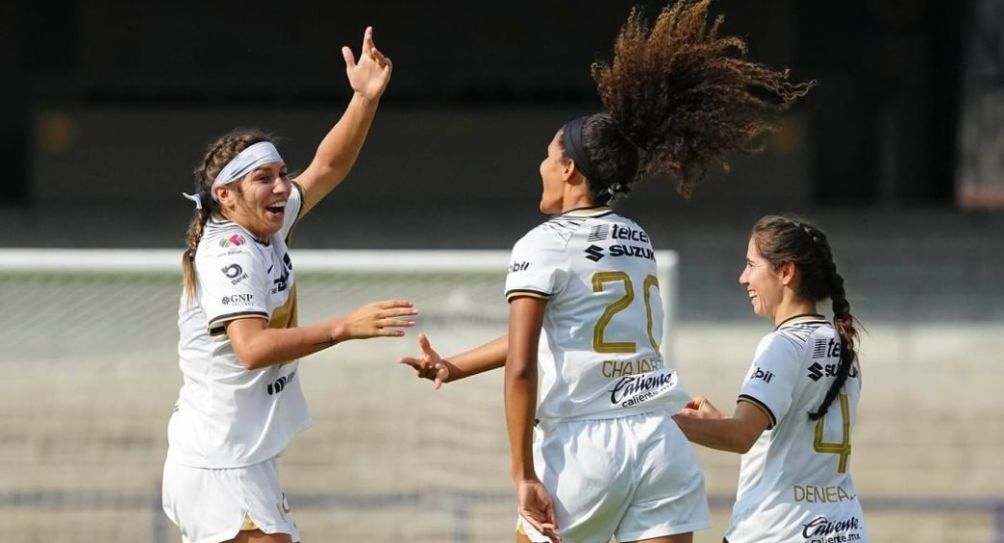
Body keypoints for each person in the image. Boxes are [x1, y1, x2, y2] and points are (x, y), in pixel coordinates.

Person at [401, 2, 813, 541]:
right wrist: (454, 366)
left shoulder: (542, 245)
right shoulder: (635, 239)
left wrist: (523, 474)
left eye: (549, 156)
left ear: (570, 168)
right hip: (661, 442)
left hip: (583, 452)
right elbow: (566, 333)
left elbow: (524, 365)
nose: (541, 166)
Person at [161, 27, 417, 543]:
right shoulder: (229, 253)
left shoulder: (264, 222)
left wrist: (364, 99)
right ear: (226, 196)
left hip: (242, 460)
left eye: (281, 173)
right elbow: (252, 348)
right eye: (264, 178)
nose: (282, 187)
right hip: (219, 465)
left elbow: (328, 165)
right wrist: (345, 326)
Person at [672, 215, 869, 543]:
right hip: (844, 531)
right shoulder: (842, 344)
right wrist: (720, 420)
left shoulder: (782, 345)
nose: (743, 278)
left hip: (777, 531)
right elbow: (788, 438)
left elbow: (741, 436)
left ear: (785, 271)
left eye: (751, 265)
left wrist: (659, 421)